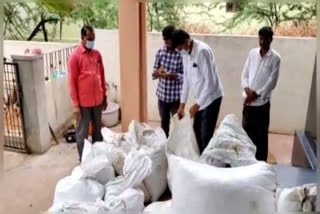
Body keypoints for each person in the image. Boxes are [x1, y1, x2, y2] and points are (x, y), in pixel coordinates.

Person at [173, 29, 224, 154]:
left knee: (205, 135)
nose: (179, 52)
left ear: (186, 42)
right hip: (201, 98)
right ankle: (200, 160)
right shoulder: (185, 55)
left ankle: (207, 166)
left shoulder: (202, 52)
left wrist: (197, 105)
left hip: (212, 98)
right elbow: (186, 79)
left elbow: (210, 84)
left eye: (179, 48)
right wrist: (182, 105)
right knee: (196, 133)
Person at [68, 25, 108, 162]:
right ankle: (84, 160)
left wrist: (105, 96)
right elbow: (72, 82)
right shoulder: (75, 56)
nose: (92, 41)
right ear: (82, 38)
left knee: (98, 131)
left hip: (97, 101)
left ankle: (97, 159)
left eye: (93, 39)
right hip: (83, 103)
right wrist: (75, 105)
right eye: (89, 39)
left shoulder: (97, 55)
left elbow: (101, 75)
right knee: (82, 133)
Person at [241, 26, 281, 161]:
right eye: (261, 39)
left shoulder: (275, 58)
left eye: (266, 39)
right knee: (246, 134)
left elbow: (272, 82)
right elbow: (245, 74)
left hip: (262, 104)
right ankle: (245, 161)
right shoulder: (252, 53)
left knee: (261, 136)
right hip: (248, 102)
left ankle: (260, 165)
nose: (263, 42)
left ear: (271, 40)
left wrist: (256, 94)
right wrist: (247, 90)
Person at [153, 25, 184, 138]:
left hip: (175, 98)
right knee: (164, 125)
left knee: (178, 125)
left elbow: (186, 76)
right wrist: (157, 73)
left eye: (168, 38)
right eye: (164, 39)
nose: (166, 41)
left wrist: (175, 76)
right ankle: (164, 147)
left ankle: (176, 149)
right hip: (162, 98)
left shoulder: (181, 54)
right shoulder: (160, 52)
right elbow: (154, 72)